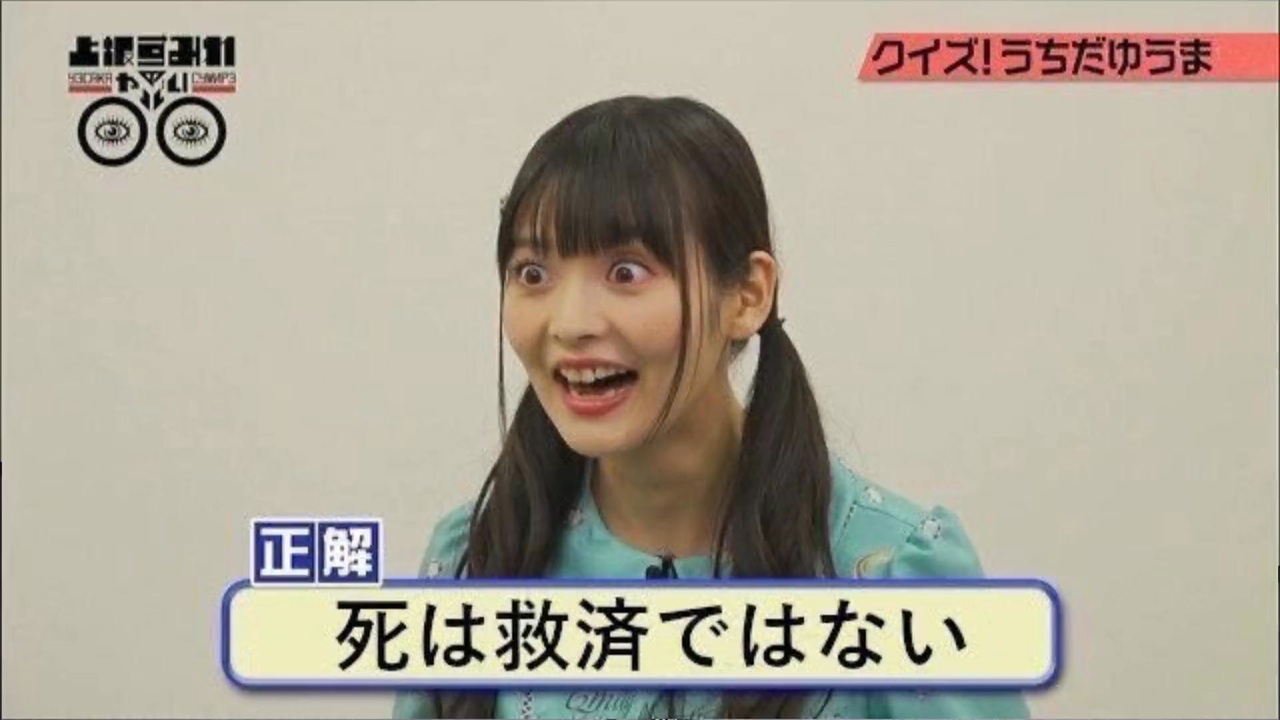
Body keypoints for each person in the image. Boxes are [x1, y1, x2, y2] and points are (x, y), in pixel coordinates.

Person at [393, 95, 1030, 719]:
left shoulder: (894, 576)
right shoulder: (476, 562)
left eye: (626, 272)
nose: (570, 322)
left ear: (747, 295)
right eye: (533, 273)